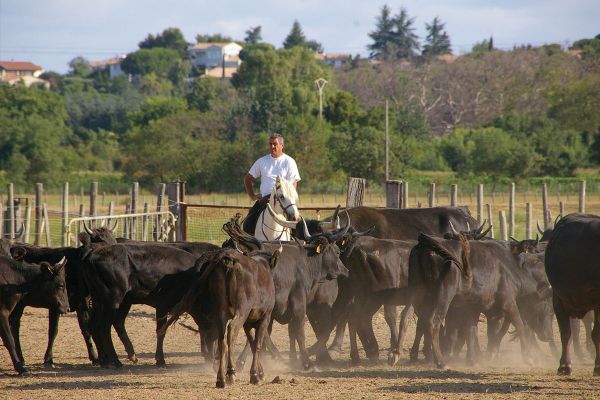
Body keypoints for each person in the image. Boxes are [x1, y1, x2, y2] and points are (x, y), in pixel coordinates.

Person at [243, 133, 301, 234]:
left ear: (282, 146)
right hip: (265, 200)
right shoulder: (262, 161)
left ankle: (298, 244)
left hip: (284, 201)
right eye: (270, 144)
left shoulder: (289, 162)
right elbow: (248, 179)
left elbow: (293, 184)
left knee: (298, 226)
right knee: (247, 224)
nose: (272, 146)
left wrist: (290, 200)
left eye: (275, 144)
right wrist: (252, 196)